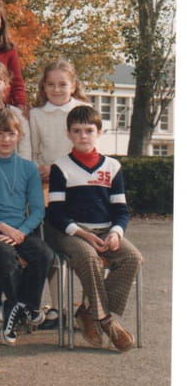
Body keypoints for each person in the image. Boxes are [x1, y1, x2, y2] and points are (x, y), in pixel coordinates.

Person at [46, 105, 143, 352]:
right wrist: (83, 234)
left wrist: (116, 233)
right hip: (71, 232)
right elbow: (56, 213)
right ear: (68, 133)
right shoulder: (60, 167)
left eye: (89, 130)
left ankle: (89, 312)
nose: (83, 136)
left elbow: (121, 211)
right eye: (77, 131)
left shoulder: (112, 166)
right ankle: (107, 321)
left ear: (99, 132)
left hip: (104, 231)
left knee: (132, 257)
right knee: (89, 258)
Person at [0, 108, 52, 346]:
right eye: (0, 134)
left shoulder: (28, 168)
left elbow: (38, 210)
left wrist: (21, 232)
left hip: (21, 230)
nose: (5, 139)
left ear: (19, 136)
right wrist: (3, 228)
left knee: (45, 254)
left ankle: (16, 307)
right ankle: (25, 308)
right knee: (5, 257)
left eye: (11, 134)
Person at [29, 59, 91, 328]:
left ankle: (89, 308)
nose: (56, 89)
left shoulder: (84, 110)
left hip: (80, 187)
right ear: (44, 86)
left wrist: (56, 168)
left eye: (62, 84)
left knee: (85, 245)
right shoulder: (35, 114)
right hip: (46, 188)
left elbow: (89, 149)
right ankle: (57, 307)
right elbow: (30, 150)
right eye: (51, 84)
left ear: (73, 85)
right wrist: (39, 169)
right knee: (52, 244)